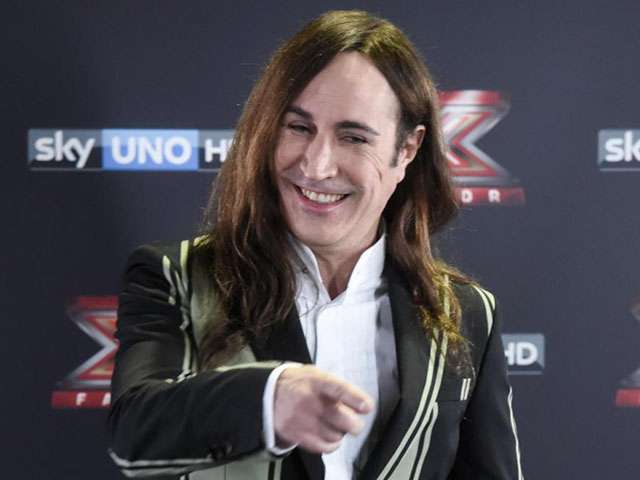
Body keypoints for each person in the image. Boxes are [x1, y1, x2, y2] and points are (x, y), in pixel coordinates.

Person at [108, 10, 524, 480]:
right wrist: (271, 399)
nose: (317, 165)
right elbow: (135, 435)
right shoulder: (178, 275)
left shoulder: (466, 312)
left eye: (353, 137)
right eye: (299, 128)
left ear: (406, 150)